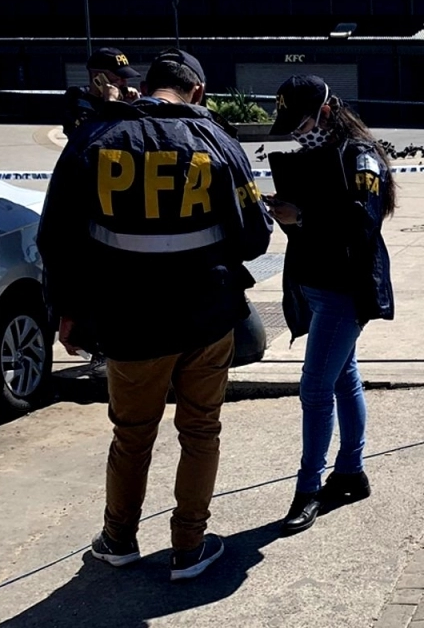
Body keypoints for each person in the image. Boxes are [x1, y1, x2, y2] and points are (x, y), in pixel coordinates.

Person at [37, 49, 273, 581]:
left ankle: (118, 538)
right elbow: (256, 237)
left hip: (128, 320)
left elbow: (56, 237)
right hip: (207, 317)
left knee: (131, 434)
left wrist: (66, 311)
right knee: (200, 431)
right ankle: (189, 547)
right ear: (199, 92)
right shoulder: (217, 141)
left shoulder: (95, 138)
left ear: (147, 87)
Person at [265, 75, 397, 535]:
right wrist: (289, 214)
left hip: (344, 291)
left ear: (325, 111)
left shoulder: (360, 156)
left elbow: (363, 223)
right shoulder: (318, 155)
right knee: (343, 378)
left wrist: (302, 215)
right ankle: (351, 472)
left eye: (301, 123)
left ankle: (308, 489)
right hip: (317, 285)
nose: (298, 134)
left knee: (315, 388)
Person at [62, 47, 141, 138]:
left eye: (125, 78)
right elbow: (88, 135)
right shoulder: (77, 100)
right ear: (98, 77)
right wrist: (111, 104)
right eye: (119, 78)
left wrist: (133, 107)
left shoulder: (125, 98)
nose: (125, 83)